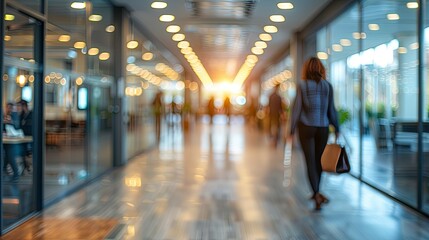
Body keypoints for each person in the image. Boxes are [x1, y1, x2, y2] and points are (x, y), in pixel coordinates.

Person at [289, 57, 340, 210]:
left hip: (306, 127)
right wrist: (337, 128)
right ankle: (317, 191)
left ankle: (316, 192)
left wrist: (290, 130)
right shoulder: (327, 86)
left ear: (306, 69)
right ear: (321, 69)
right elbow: (332, 109)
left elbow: (296, 109)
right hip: (323, 128)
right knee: (319, 161)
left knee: (310, 161)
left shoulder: (302, 85)